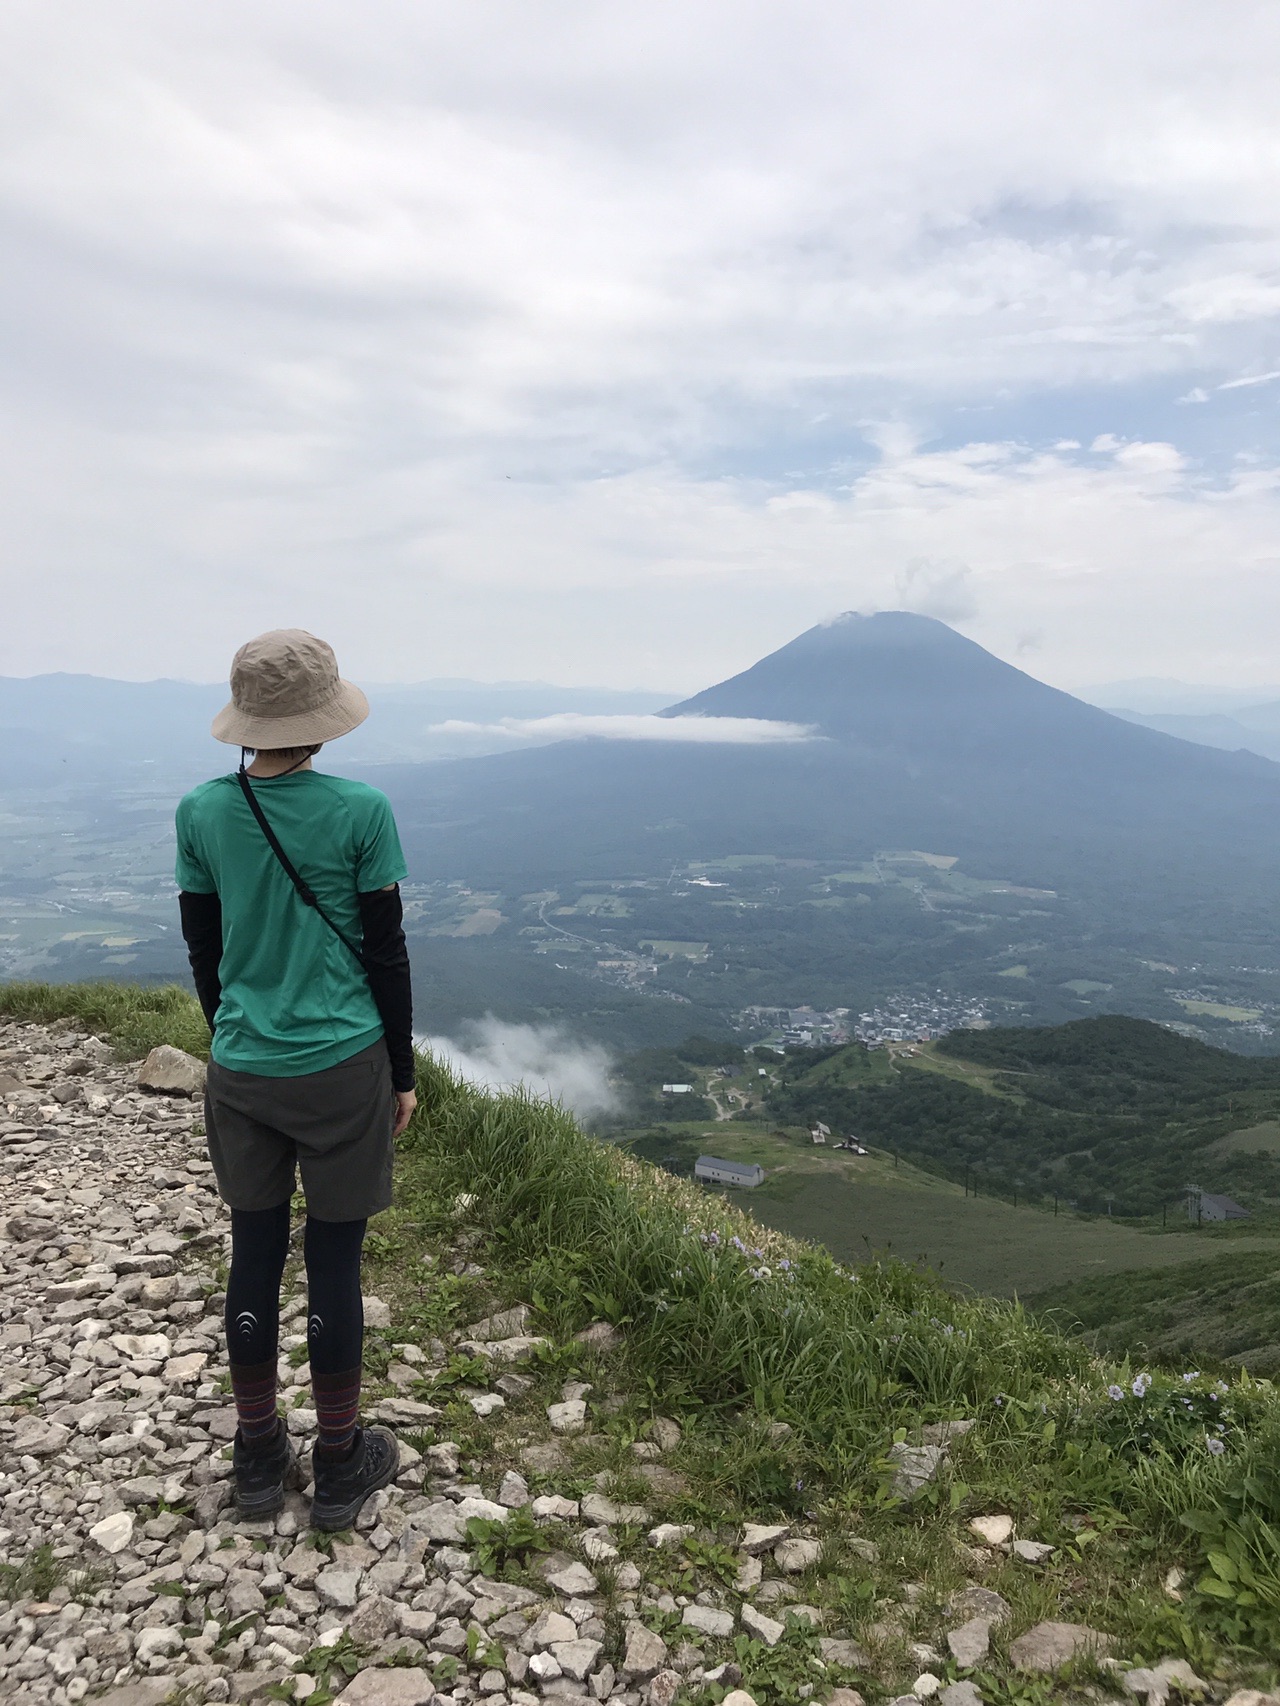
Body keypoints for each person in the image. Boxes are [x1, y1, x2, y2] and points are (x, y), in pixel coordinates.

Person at [176, 628, 416, 1528]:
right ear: (323, 717)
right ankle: (344, 1460)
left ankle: (256, 1454)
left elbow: (205, 946)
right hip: (343, 1062)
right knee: (334, 1261)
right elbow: (386, 955)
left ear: (246, 721)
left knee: (253, 1252)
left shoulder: (200, 811)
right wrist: (401, 1069)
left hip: (243, 1065)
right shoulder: (362, 810)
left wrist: (235, 1038)